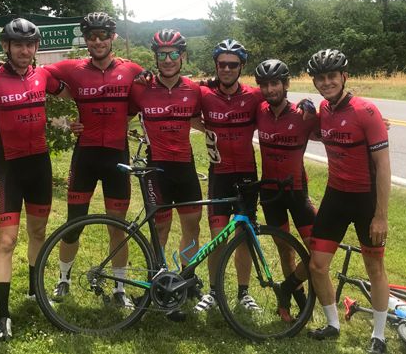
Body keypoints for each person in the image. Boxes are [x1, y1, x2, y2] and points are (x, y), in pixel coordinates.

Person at [0, 18, 68, 341]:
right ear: (6, 46)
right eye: (18, 44)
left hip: (40, 167)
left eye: (29, 44)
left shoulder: (44, 76)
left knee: (38, 232)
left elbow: (72, 91)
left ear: (36, 47)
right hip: (9, 169)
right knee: (6, 242)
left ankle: (34, 292)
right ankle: (2, 316)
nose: (24, 50)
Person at [43, 12, 143, 308]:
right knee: (74, 224)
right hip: (85, 156)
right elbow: (37, 73)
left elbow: (154, 89)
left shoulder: (131, 70)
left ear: (113, 37)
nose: (97, 41)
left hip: (117, 156)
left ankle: (120, 288)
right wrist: (63, 103)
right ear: (85, 39)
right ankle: (63, 280)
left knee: (117, 227)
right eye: (91, 36)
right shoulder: (73, 68)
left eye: (103, 35)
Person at [305, 49, 390, 354]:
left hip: (366, 200)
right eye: (320, 78)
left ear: (344, 77)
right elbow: (318, 131)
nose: (326, 82)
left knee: (374, 268)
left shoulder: (366, 111)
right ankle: (333, 324)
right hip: (336, 196)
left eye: (332, 76)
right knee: (317, 265)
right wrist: (303, 111)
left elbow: (383, 166)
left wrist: (381, 215)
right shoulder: (323, 109)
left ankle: (379, 336)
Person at [128, 29, 203, 320]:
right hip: (156, 168)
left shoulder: (194, 90)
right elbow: (119, 112)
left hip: (185, 166)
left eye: (173, 54)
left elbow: (205, 118)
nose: (168, 59)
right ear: (156, 57)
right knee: (160, 229)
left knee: (192, 227)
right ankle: (155, 283)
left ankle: (186, 279)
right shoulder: (141, 88)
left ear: (183, 56)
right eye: (162, 54)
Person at [193, 39, 264, 313]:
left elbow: (280, 104)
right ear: (216, 65)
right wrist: (205, 128)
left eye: (232, 65)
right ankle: (213, 291)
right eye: (222, 64)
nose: (226, 69)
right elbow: (182, 99)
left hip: (246, 175)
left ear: (241, 66)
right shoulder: (204, 94)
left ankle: (244, 293)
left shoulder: (254, 95)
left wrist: (305, 103)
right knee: (217, 237)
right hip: (219, 175)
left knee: (244, 236)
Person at [254, 59, 318, 321]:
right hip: (270, 193)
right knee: (285, 249)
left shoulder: (303, 115)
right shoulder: (259, 111)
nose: (270, 89)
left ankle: (287, 286)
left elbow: (333, 126)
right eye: (264, 85)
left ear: (286, 84)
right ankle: (296, 299)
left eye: (275, 83)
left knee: (318, 251)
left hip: (297, 192)